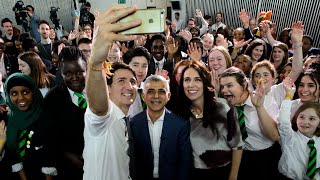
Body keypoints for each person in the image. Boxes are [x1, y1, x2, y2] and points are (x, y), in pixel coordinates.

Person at [83, 5, 142, 179]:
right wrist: (95, 61)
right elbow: (98, 107)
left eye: (132, 81)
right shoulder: (103, 118)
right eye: (121, 81)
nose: (129, 86)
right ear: (107, 88)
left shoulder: (126, 122)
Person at [175, 61, 243, 179]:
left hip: (224, 172)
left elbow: (237, 146)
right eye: (187, 80)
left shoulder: (223, 107)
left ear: (205, 82)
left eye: (197, 79)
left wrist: (233, 176)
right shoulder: (181, 113)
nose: (191, 84)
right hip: (195, 174)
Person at [219, 67, 280, 180]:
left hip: (266, 158)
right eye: (222, 87)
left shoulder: (265, 100)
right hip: (240, 157)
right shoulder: (226, 106)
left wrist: (259, 107)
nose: (224, 90)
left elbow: (274, 136)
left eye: (229, 85)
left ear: (244, 85)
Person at [130, 75, 192, 180]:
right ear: (143, 96)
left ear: (169, 96)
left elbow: (184, 163)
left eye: (161, 91)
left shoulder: (181, 125)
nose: (156, 96)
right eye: (150, 91)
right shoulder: (133, 123)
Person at [43, 46, 87, 179]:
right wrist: (68, 155)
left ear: (86, 69)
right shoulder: (53, 98)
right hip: (69, 167)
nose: (75, 78)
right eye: (68, 73)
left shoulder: (97, 92)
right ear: (61, 73)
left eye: (79, 72)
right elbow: (50, 137)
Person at [4, 73, 57, 179]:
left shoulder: (45, 118)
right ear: (8, 96)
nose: (21, 98)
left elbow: (49, 154)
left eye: (25, 92)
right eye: (14, 94)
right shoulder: (8, 119)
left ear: (34, 92)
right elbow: (11, 151)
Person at [278, 77, 320, 179]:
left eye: (312, 119)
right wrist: (288, 96)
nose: (305, 122)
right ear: (296, 119)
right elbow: (283, 120)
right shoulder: (289, 137)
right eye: (301, 117)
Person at [123, 46, 150, 117]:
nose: (140, 70)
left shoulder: (147, 89)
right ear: (126, 66)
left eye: (144, 66)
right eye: (135, 65)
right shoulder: (120, 90)